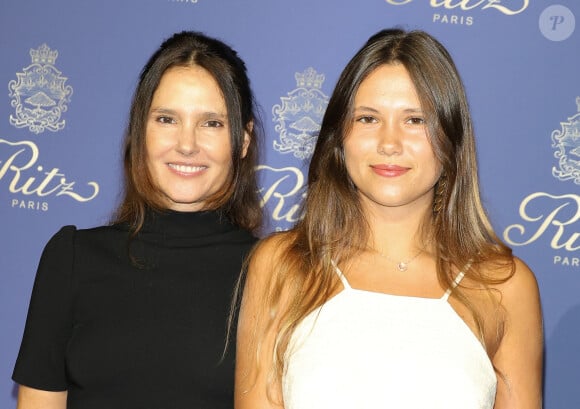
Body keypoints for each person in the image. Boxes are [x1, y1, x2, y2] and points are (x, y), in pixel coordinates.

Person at [235, 28, 543, 408]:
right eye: (368, 118)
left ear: (451, 139)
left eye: (415, 120)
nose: (389, 143)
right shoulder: (281, 265)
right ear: (339, 138)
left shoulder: (506, 286)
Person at [13, 30, 262, 409]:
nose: (187, 143)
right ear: (139, 131)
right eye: (166, 119)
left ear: (243, 141)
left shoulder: (276, 272)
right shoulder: (73, 259)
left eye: (211, 122)